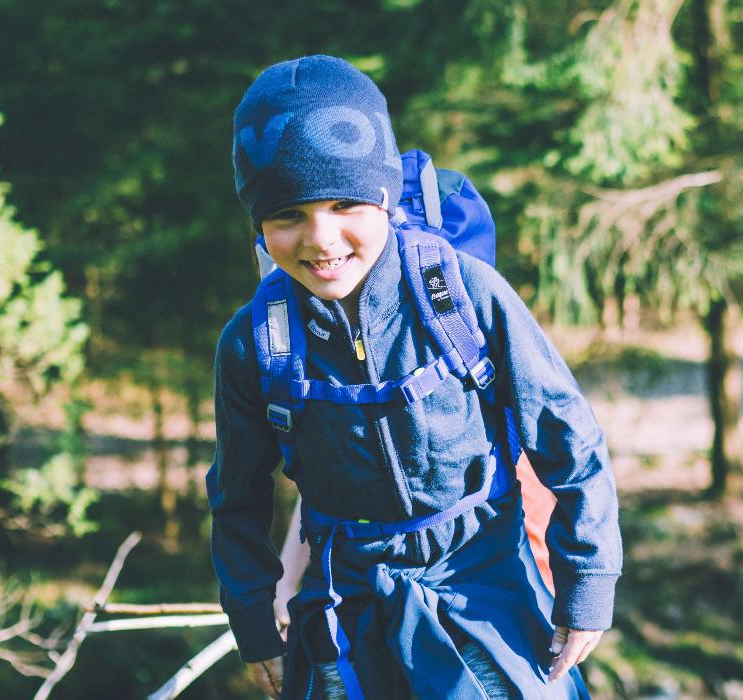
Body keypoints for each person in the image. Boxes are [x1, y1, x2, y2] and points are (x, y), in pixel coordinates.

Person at [208, 55, 622, 699]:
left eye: (345, 203)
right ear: (257, 223)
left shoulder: (462, 294)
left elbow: (567, 435)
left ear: (385, 196)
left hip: (485, 585)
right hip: (345, 603)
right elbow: (236, 494)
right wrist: (255, 619)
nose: (321, 239)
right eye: (288, 214)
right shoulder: (255, 342)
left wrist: (589, 583)